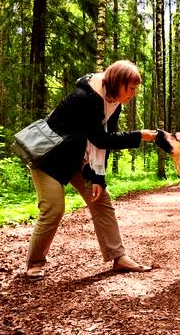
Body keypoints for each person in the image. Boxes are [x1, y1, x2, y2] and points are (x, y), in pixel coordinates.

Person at [25, 60, 158, 278]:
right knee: (53, 209)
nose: (134, 93)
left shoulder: (113, 102)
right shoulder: (85, 98)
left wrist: (99, 178)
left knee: (102, 200)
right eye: (131, 88)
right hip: (48, 158)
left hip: (79, 157)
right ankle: (35, 262)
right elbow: (101, 138)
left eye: (135, 88)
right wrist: (138, 136)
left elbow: (102, 144)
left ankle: (118, 257)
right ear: (117, 83)